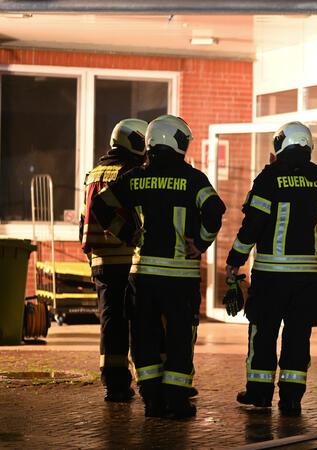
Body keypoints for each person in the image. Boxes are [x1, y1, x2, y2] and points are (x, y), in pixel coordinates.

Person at [91, 114, 226, 419]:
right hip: (181, 277)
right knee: (179, 337)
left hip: (143, 276)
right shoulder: (194, 179)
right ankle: (177, 401)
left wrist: (127, 233)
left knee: (144, 337)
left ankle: (152, 400)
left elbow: (101, 204)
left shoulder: (136, 177)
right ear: (176, 142)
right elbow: (215, 209)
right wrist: (201, 243)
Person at [226, 121, 317, 415]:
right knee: (298, 336)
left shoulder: (269, 177)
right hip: (308, 277)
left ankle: (259, 394)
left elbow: (253, 224)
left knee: (263, 333)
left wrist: (235, 259)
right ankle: (292, 398)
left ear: (280, 145)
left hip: (271, 275)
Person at [80, 118, 147, 402]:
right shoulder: (129, 171)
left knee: (110, 321)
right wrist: (133, 236)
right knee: (138, 321)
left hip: (99, 258)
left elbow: (87, 216)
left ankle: (114, 382)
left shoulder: (93, 173)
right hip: (127, 256)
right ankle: (146, 381)